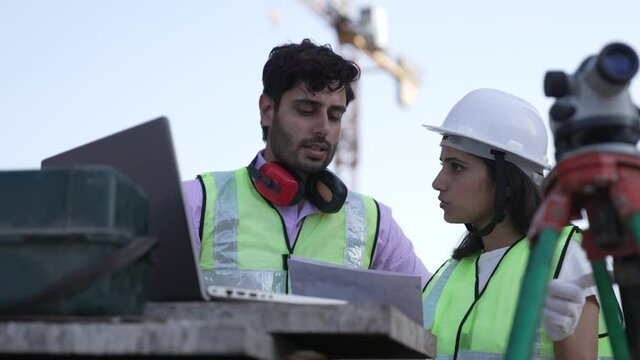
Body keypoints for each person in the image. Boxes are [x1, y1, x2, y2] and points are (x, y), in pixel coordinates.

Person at [182, 38, 431, 294]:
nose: (323, 128)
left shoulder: (375, 223)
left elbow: (432, 314)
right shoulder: (195, 203)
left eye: (335, 116)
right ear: (267, 110)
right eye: (306, 110)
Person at [421, 88, 613, 359]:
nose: (438, 182)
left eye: (457, 167)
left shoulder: (563, 254)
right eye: (443, 164)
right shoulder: (450, 274)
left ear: (508, 183)